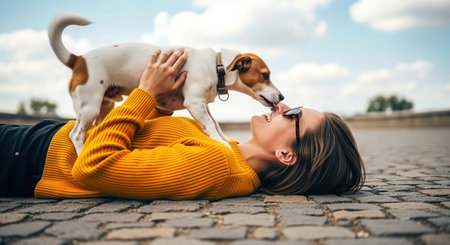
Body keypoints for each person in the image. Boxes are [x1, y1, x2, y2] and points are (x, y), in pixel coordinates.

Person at [0, 49, 365, 199]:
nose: (283, 105)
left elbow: (95, 167)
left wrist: (143, 94)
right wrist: (162, 105)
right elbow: (141, 143)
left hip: (30, 158)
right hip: (42, 142)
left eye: (295, 115)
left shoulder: (218, 165)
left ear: (287, 154)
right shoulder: (226, 151)